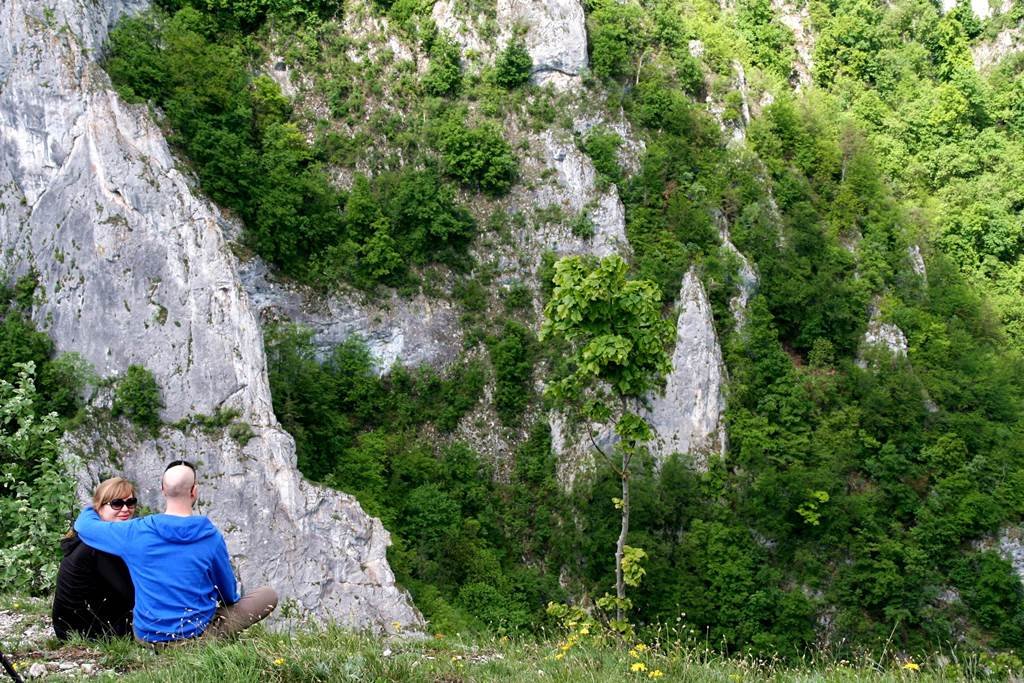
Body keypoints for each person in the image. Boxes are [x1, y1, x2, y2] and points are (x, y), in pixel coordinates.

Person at [73, 460, 277, 643]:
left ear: (163, 490)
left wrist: (97, 505)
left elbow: (84, 526)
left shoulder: (136, 532)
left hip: (147, 636)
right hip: (197, 634)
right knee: (268, 595)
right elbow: (228, 596)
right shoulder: (211, 538)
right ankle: (204, 642)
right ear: (194, 491)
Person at [52, 477, 137, 640]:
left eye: (131, 502)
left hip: (71, 625)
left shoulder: (92, 535)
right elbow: (129, 593)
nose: (126, 509)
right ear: (99, 507)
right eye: (117, 504)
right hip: (84, 631)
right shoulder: (100, 545)